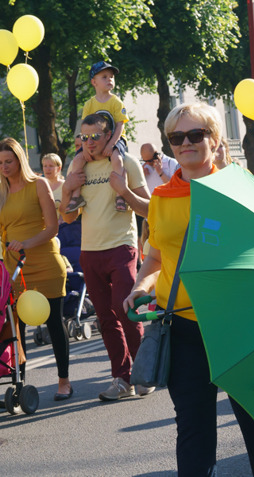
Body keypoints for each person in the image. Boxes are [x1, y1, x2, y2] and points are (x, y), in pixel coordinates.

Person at [123, 102, 254, 476]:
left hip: (236, 326)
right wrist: (139, 286)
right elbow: (156, 257)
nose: (186, 143)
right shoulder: (162, 197)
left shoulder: (236, 192)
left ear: (215, 140)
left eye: (195, 135)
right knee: (194, 432)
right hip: (180, 328)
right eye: (177, 137)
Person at [60, 113, 151, 401]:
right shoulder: (79, 168)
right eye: (83, 137)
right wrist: (66, 187)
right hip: (91, 252)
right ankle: (122, 379)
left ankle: (144, 372)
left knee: (125, 309)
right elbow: (68, 215)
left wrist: (123, 190)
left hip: (121, 247)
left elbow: (149, 208)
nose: (88, 143)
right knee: (105, 318)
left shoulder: (127, 164)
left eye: (95, 136)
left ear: (109, 134)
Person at [0, 139, 70, 400]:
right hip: (14, 268)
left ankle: (64, 381)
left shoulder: (38, 184)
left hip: (45, 263)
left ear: (19, 160)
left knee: (54, 322)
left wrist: (26, 244)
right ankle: (20, 385)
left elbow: (52, 227)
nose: (4, 167)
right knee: (16, 329)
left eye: (8, 161)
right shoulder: (1, 191)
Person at [65, 62, 129, 213]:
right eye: (105, 77)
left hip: (114, 138)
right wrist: (83, 147)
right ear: (94, 82)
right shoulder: (89, 104)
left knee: (117, 158)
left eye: (112, 77)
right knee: (78, 160)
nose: (110, 80)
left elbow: (120, 126)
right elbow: (85, 128)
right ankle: (76, 195)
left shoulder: (116, 102)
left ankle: (120, 195)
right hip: (92, 140)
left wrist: (110, 145)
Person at [41, 153, 65, 218]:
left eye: (51, 166)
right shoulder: (39, 186)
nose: (47, 169)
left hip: (62, 226)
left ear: (59, 168)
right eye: (45, 166)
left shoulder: (65, 186)